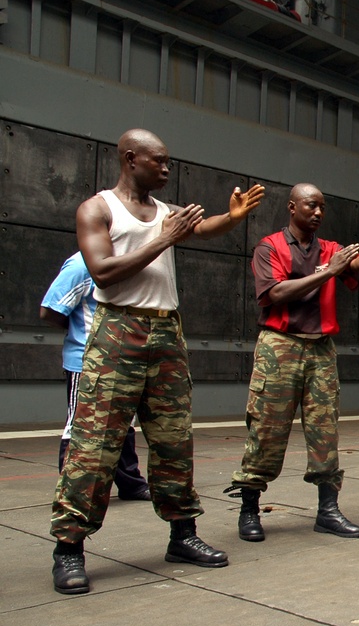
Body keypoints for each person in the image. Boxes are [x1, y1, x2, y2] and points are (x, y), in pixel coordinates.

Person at [49, 128, 265, 595]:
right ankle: (69, 547)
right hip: (116, 331)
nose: (167, 170)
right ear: (131, 159)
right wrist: (164, 239)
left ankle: (182, 534)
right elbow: (103, 269)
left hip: (165, 331)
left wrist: (231, 218)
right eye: (159, 162)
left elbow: (200, 229)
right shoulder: (98, 208)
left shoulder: (166, 212)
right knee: (96, 443)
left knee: (173, 440)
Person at [226, 183, 359, 542]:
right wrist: (327, 272)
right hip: (280, 347)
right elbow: (274, 293)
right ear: (292, 207)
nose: (319, 213)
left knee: (325, 430)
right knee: (267, 429)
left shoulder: (329, 249)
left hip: (320, 349)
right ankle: (249, 509)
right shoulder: (269, 246)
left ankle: (328, 510)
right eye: (312, 205)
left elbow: (354, 263)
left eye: (323, 207)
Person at [41, 252, 151, 501]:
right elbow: (50, 309)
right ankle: (73, 491)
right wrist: (86, 335)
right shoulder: (82, 264)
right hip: (87, 362)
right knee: (80, 424)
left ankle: (130, 484)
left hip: (125, 360)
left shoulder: (131, 260)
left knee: (124, 424)